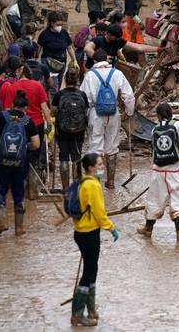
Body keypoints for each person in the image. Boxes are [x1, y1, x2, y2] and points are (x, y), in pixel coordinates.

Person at [137, 103, 179, 241]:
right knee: (178, 200)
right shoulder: (177, 125)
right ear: (171, 113)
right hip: (175, 170)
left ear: (158, 115)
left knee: (154, 200)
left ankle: (148, 229)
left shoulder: (155, 128)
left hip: (158, 171)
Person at [70, 152, 119, 326]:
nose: (102, 168)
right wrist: (111, 228)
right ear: (90, 168)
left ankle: (90, 309)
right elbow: (99, 212)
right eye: (99, 165)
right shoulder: (92, 185)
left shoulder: (84, 181)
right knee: (89, 271)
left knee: (93, 268)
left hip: (82, 231)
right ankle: (77, 313)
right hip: (89, 233)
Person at [0, 90, 40, 236]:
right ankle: (19, 228)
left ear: (12, 105)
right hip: (20, 163)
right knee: (19, 193)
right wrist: (24, 147)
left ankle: (2, 222)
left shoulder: (2, 116)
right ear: (25, 108)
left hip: (2, 161)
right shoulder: (28, 121)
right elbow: (36, 144)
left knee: (0, 191)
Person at [80, 49, 134, 189]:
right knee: (112, 147)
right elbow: (128, 95)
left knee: (95, 147)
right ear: (107, 60)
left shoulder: (90, 75)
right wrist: (129, 112)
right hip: (113, 113)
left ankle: (96, 183)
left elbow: (83, 97)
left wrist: (86, 116)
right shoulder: (117, 73)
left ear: (95, 61)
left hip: (95, 114)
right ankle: (110, 182)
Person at [1, 63, 51, 201]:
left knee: (18, 156)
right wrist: (50, 124)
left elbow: (7, 110)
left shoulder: (11, 87)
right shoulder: (37, 85)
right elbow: (44, 107)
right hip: (36, 125)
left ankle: (18, 190)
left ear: (19, 73)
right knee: (33, 158)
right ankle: (32, 192)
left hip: (18, 126)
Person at [52, 69, 89, 192]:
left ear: (65, 80)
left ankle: (65, 188)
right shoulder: (82, 95)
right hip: (79, 130)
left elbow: (53, 111)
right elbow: (86, 112)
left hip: (62, 130)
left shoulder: (59, 95)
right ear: (78, 80)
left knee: (63, 157)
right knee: (77, 157)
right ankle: (76, 188)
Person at [83, 24, 159, 69]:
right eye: (114, 37)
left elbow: (139, 47)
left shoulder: (118, 41)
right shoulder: (98, 40)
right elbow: (87, 48)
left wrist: (158, 49)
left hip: (109, 70)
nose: (116, 39)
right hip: (94, 69)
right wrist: (100, 57)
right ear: (108, 34)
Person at [38, 11, 77, 86]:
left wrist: (74, 60)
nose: (60, 26)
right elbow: (39, 48)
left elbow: (69, 48)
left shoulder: (64, 33)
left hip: (61, 64)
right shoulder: (45, 34)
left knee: (58, 83)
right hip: (48, 64)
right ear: (52, 23)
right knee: (52, 85)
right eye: (58, 24)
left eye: (61, 24)